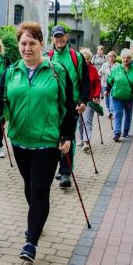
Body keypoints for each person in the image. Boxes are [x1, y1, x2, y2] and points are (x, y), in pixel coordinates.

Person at [0, 21, 76, 263]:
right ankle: (38, 219)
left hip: (47, 142)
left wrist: (67, 136)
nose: (27, 48)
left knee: (39, 190)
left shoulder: (57, 71)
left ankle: (31, 241)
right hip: (20, 140)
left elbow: (69, 107)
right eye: (23, 43)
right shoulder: (11, 72)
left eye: (32, 43)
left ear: (41, 44)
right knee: (28, 187)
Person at [46, 24, 90, 188]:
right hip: (52, 105)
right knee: (54, 137)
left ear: (66, 36)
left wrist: (84, 101)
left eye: (61, 36)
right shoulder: (47, 57)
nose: (59, 39)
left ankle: (66, 172)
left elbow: (84, 81)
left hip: (72, 105)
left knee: (68, 137)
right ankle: (61, 165)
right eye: (56, 36)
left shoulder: (76, 57)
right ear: (52, 39)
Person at [105, 48, 133, 141]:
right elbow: (110, 80)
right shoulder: (116, 69)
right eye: (124, 58)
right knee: (118, 114)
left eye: (128, 58)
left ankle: (126, 132)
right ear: (121, 58)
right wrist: (107, 90)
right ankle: (117, 133)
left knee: (128, 114)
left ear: (131, 59)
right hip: (117, 96)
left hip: (129, 97)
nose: (126, 60)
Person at [78, 48, 101, 152]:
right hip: (77, 99)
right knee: (79, 122)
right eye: (84, 59)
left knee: (87, 121)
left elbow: (97, 83)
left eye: (88, 59)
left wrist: (96, 95)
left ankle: (86, 141)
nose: (86, 61)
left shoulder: (93, 70)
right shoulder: (76, 69)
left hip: (90, 99)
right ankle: (82, 139)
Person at [99, 51, 119, 118]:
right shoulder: (105, 64)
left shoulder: (118, 65)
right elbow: (100, 72)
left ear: (115, 57)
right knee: (106, 98)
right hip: (105, 83)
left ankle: (111, 111)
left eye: (113, 56)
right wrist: (100, 73)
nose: (111, 57)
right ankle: (108, 110)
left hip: (113, 84)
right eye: (110, 56)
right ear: (107, 57)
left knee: (112, 97)